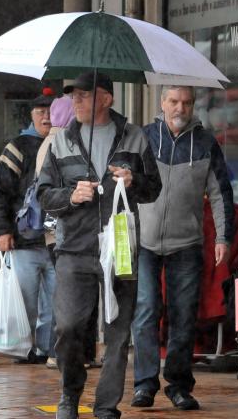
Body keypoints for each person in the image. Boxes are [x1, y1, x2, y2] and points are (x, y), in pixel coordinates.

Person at [38, 72, 162, 419]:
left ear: (106, 98)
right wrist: (72, 196)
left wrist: (133, 179)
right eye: (72, 96)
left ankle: (106, 405)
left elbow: (154, 188)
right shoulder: (61, 140)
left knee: (119, 333)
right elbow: (43, 194)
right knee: (68, 327)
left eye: (82, 95)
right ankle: (69, 395)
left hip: (120, 246)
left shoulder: (134, 136)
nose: (74, 101)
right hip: (74, 248)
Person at [130, 85, 234, 410]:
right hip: (144, 242)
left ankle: (178, 385)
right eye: (174, 101)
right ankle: (144, 385)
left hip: (187, 243)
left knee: (183, 316)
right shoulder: (144, 137)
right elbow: (122, 185)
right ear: (162, 103)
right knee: (146, 311)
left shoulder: (205, 143)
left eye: (186, 103)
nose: (180, 108)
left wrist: (223, 237)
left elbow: (221, 194)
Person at [0, 89, 56, 365]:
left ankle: (47, 350)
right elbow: (0, 192)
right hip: (23, 240)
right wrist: (2, 230)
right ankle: (24, 349)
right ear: (31, 115)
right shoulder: (18, 147)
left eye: (52, 112)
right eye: (41, 112)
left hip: (55, 240)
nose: (46, 117)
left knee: (54, 304)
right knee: (25, 300)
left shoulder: (65, 145)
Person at [36, 93, 101, 371]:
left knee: (69, 294)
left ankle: (79, 353)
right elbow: (46, 191)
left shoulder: (53, 140)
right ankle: (59, 351)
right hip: (62, 230)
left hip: (60, 230)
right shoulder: (58, 143)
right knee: (67, 295)